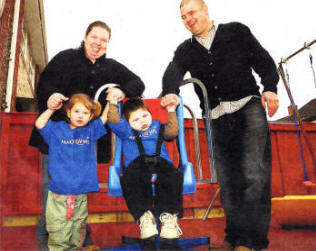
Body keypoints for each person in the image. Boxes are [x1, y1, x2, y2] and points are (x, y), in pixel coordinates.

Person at [161, 0, 280, 250]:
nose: (188, 19)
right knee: (228, 180)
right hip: (215, 118)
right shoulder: (185, 49)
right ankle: (234, 237)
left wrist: (269, 88)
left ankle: (251, 241)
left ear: (205, 10)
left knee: (254, 174)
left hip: (248, 109)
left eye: (191, 12)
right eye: (183, 16)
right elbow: (171, 73)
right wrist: (170, 92)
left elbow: (264, 61)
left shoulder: (236, 31)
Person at [29, 20, 145, 250]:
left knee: (79, 193)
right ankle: (46, 244)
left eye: (103, 40)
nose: (98, 43)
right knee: (51, 192)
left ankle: (82, 242)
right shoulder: (64, 58)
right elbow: (44, 85)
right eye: (94, 38)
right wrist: (51, 96)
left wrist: (123, 91)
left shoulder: (111, 67)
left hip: (85, 142)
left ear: (107, 44)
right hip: (57, 138)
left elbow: (137, 83)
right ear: (85, 37)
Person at [35, 93, 109, 250]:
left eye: (85, 113)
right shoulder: (57, 129)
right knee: (59, 231)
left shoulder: (90, 131)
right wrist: (50, 109)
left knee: (78, 231)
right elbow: (40, 124)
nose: (81, 116)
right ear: (68, 112)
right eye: (77, 111)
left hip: (80, 194)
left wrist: (111, 101)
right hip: (59, 194)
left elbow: (104, 118)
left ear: (90, 116)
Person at [107, 97, 183, 241]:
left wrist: (171, 110)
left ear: (150, 113)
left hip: (162, 162)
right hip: (137, 164)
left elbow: (172, 132)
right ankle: (144, 217)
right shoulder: (125, 130)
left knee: (172, 177)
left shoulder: (157, 125)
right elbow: (113, 119)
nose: (142, 121)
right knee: (131, 179)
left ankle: (169, 218)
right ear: (128, 121)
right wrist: (112, 102)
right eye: (136, 120)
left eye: (144, 115)